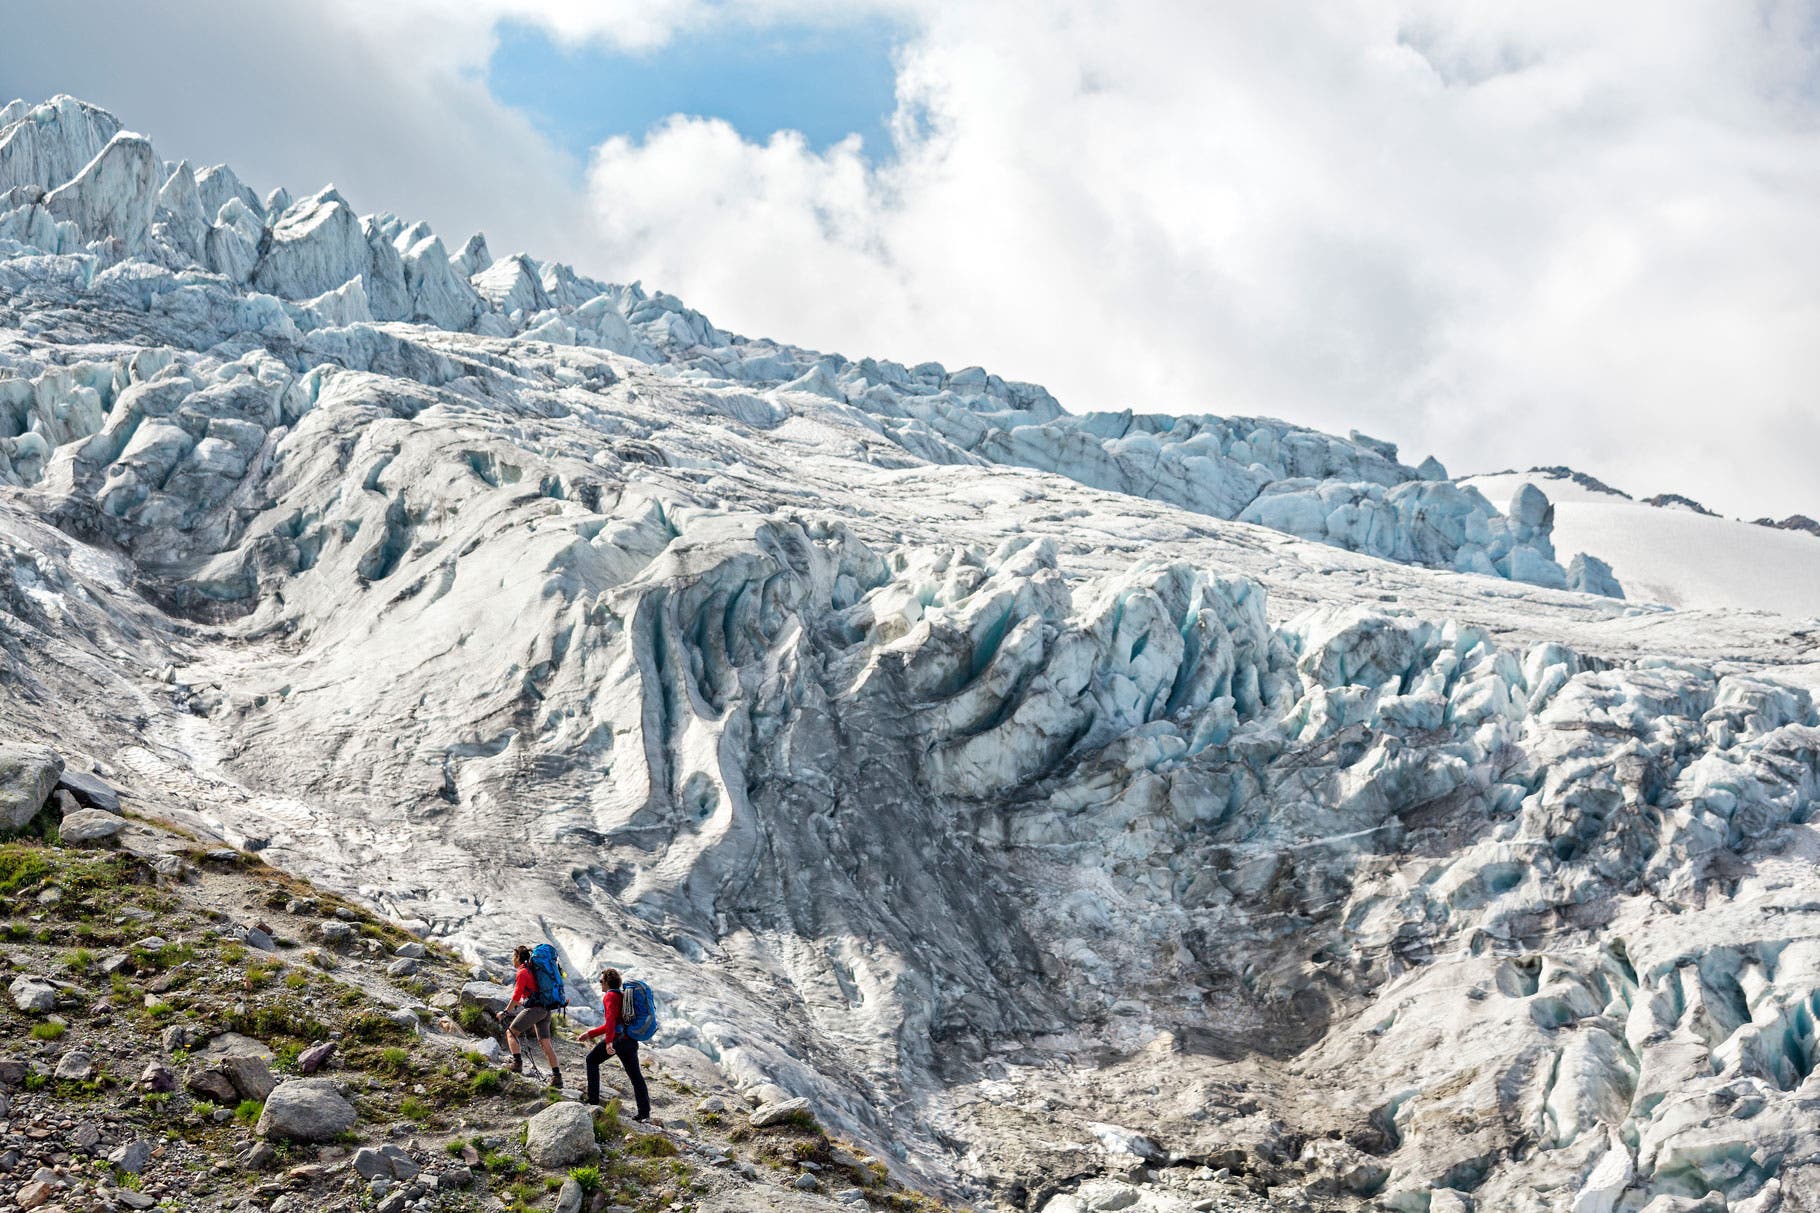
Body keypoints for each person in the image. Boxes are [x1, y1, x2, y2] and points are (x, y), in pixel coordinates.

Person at [578, 967, 650, 1120]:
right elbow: (612, 1024)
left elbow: (610, 1021)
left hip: (618, 1040)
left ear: (606, 982)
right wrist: (589, 1034)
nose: (600, 984)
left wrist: (609, 1042)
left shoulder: (610, 996)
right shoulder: (622, 995)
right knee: (636, 1076)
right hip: (630, 1040)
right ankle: (644, 1113)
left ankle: (593, 1101)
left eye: (601, 981)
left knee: (591, 1060)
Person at [498, 944, 562, 1090]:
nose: (512, 960)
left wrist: (506, 1011)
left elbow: (516, 995)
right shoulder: (533, 970)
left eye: (513, 957)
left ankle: (517, 1063)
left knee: (511, 1032)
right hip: (546, 1010)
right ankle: (557, 1077)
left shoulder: (522, 972)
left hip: (535, 1010)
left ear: (518, 958)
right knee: (546, 1044)